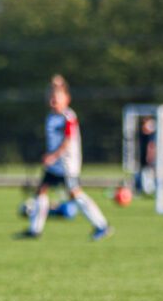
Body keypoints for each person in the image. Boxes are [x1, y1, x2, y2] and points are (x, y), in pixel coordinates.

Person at [20, 75, 113, 240]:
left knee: (75, 194)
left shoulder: (68, 116)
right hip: (54, 165)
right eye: (51, 98)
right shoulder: (51, 116)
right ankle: (35, 230)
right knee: (41, 191)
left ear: (67, 99)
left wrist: (53, 156)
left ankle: (102, 225)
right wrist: (54, 84)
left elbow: (68, 140)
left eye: (56, 98)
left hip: (67, 165)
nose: (53, 101)